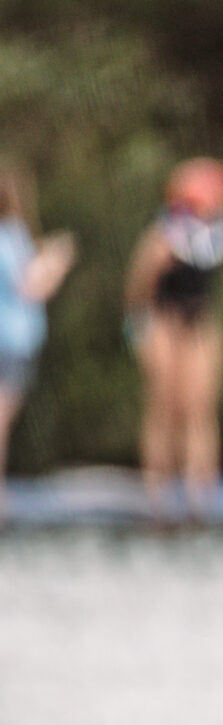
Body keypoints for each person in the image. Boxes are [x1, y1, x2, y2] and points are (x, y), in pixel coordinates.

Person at [125, 157, 223, 521]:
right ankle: (157, 493)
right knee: (163, 405)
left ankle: (199, 494)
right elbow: (140, 285)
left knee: (199, 407)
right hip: (163, 319)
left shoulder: (215, 232)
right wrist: (139, 326)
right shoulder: (164, 232)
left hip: (198, 320)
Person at [0, 161, 76, 518]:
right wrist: (57, 260)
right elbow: (29, 285)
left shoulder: (14, 236)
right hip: (11, 341)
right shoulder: (9, 234)